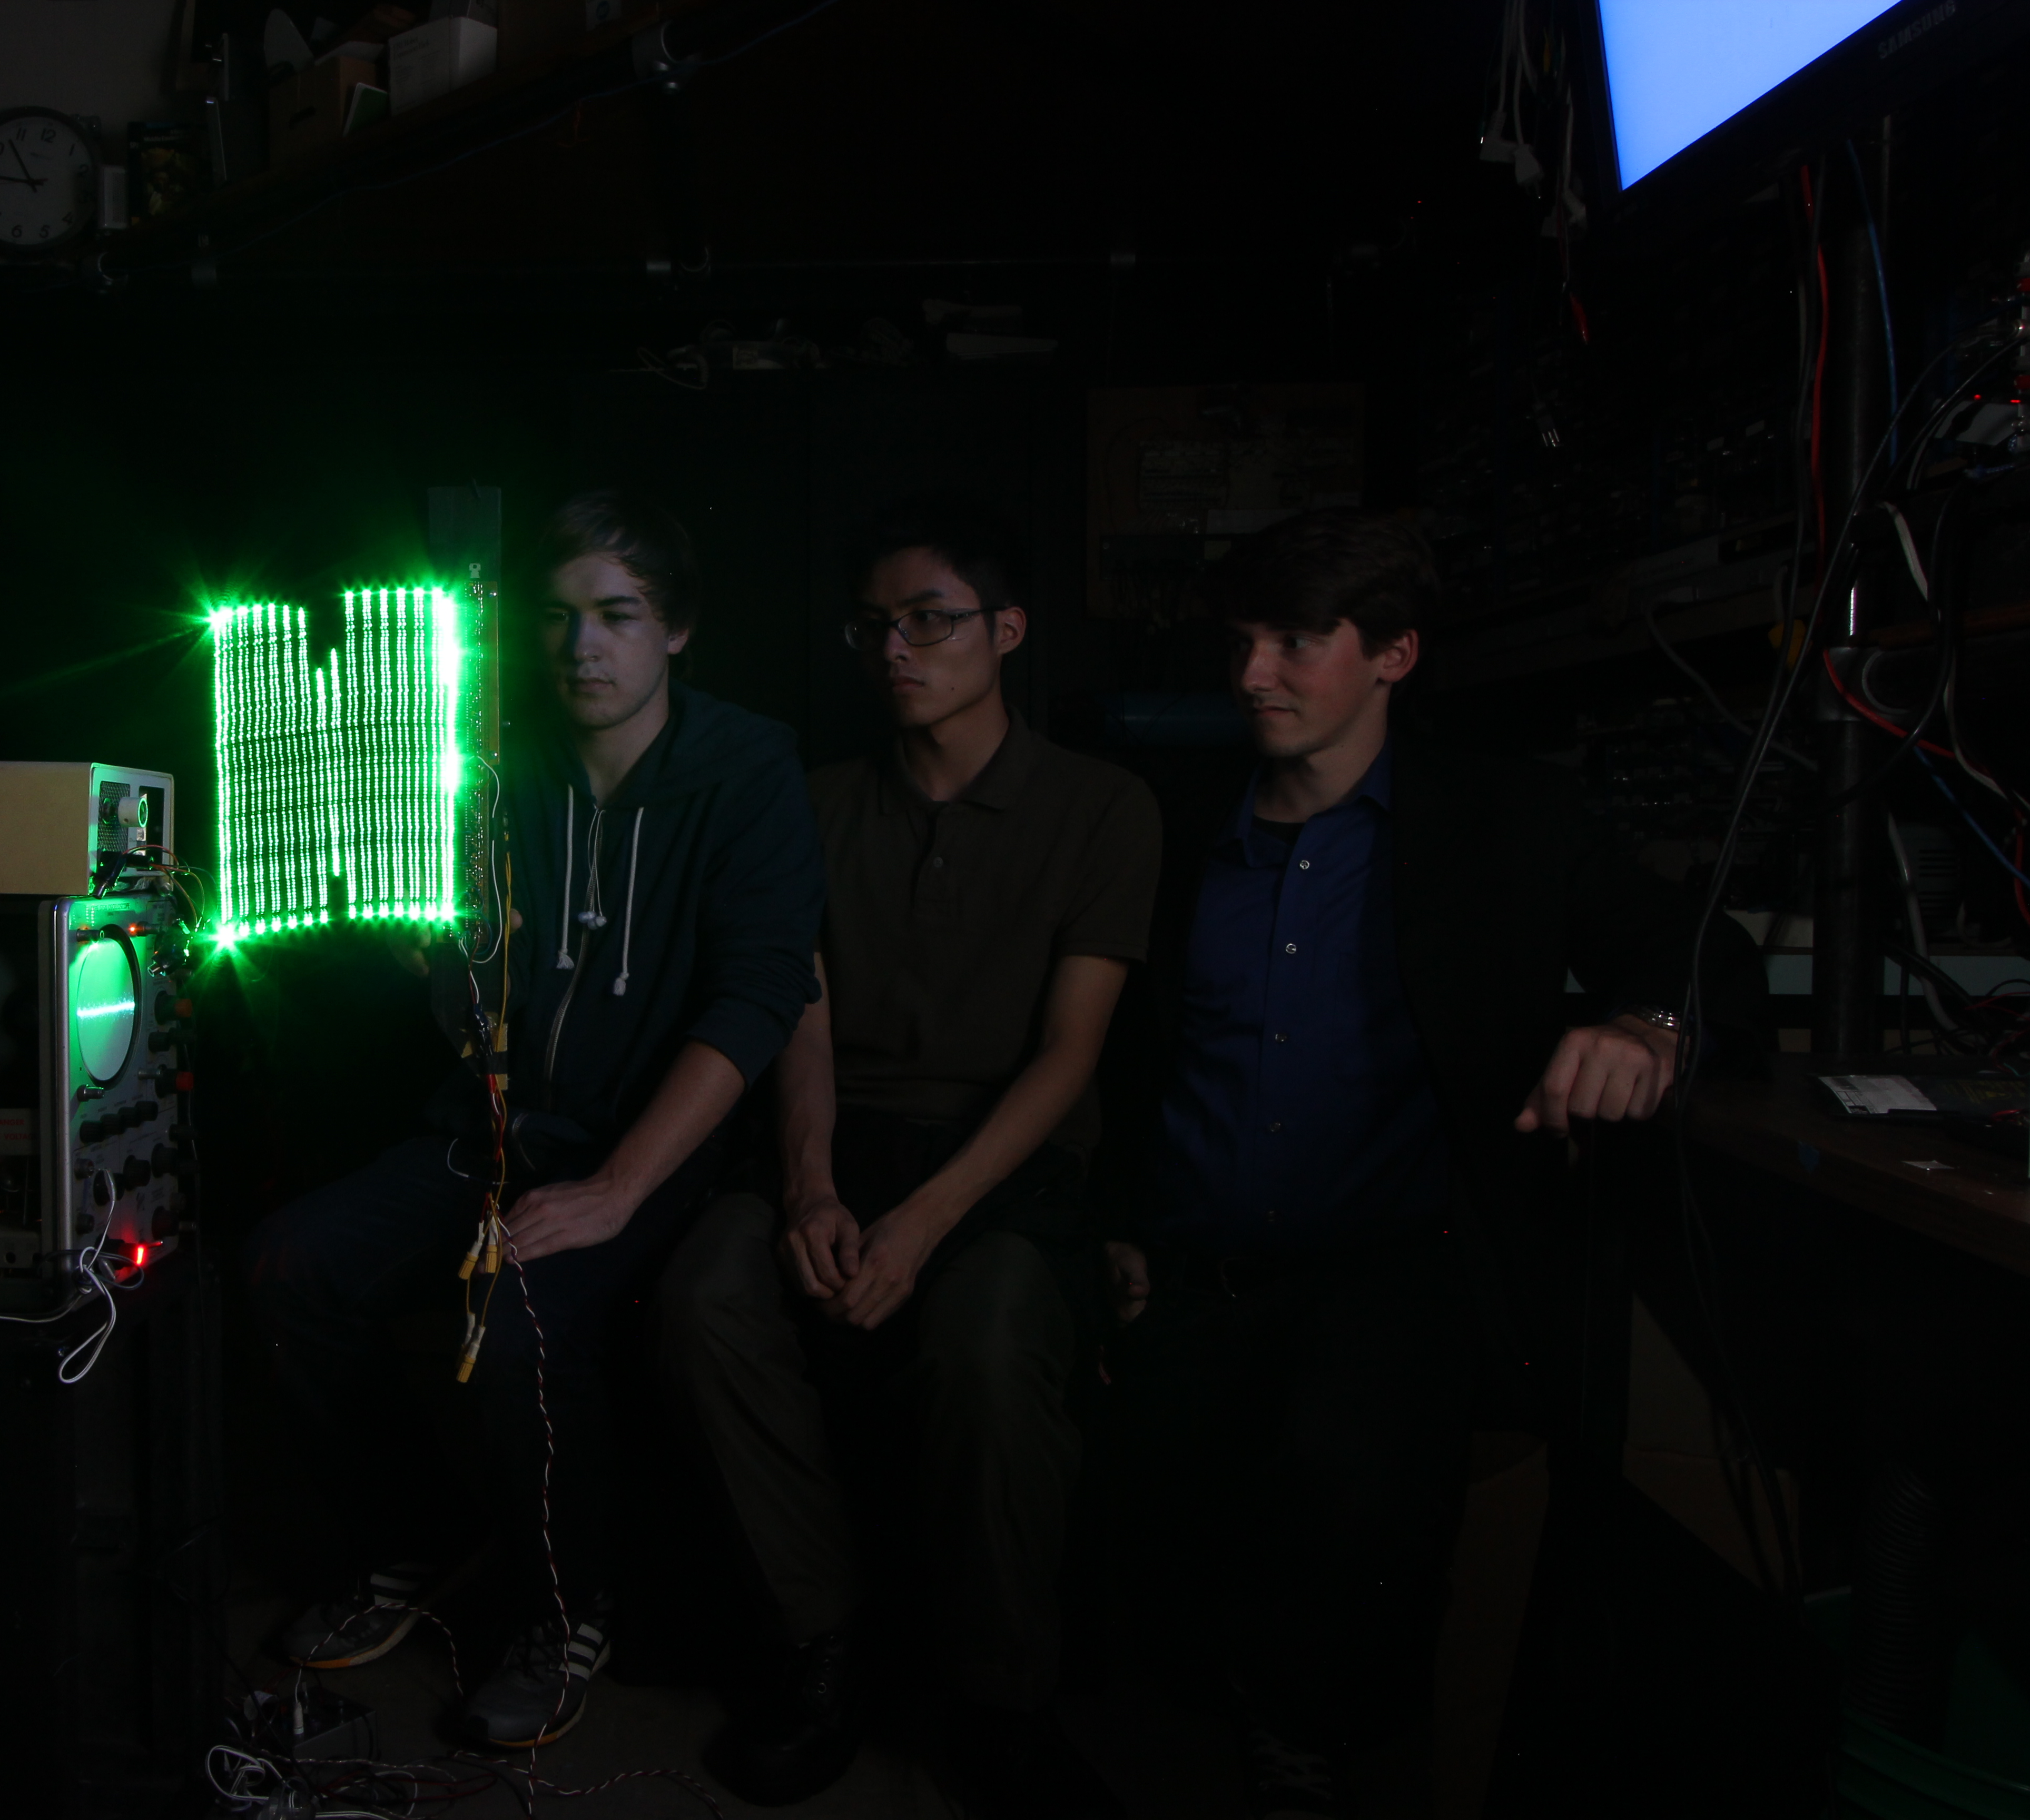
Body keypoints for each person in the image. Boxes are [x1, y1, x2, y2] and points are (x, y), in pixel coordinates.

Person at [1098, 509, 1767, 1818]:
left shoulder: (1506, 820)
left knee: (1349, 1500)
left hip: (1394, 1270)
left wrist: (1647, 1027)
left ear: (1393, 655)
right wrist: (1120, 1219)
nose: (1254, 675)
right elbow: (1125, 1050)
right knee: (1158, 1578)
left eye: (1297, 643)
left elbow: (1702, 952)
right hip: (1187, 1270)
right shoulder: (1172, 829)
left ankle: (1313, 1743)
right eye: (1242, 644)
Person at [245, 490, 825, 1749]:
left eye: (617, 616)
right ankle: (408, 1538)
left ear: (676, 630)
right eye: (559, 619)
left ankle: (567, 1609)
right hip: (496, 1132)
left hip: (657, 1154)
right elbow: (471, 992)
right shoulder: (493, 772)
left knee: (522, 1317)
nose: (582, 648)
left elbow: (761, 995)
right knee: (292, 1262)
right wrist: (432, 951)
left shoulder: (746, 770)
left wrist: (619, 1187)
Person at [657, 496, 1161, 1813]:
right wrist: (811, 1186)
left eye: (929, 621)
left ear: (1007, 631)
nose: (896, 650)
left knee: (989, 1333)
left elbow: (1069, 1056)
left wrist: (925, 1223)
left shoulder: (1102, 807)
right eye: (875, 627)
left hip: (1003, 1163)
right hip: (837, 1137)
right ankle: (821, 1644)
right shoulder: (817, 802)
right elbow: (800, 1010)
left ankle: (1000, 1699)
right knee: (709, 1290)